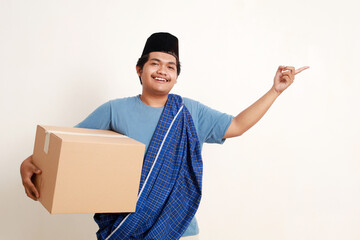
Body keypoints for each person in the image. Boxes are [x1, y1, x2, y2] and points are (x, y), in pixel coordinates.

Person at [20, 32, 309, 240]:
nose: (163, 71)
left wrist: (275, 90)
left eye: (170, 66)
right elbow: (67, 149)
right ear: (140, 69)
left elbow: (237, 125)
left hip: (176, 229)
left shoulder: (188, 112)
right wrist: (28, 163)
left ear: (176, 75)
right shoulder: (114, 110)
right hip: (125, 227)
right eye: (155, 63)